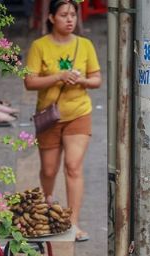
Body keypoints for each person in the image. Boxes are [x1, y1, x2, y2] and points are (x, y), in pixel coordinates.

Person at [24, 0, 102, 242]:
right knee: (48, 169)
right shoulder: (40, 46)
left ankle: (72, 222)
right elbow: (29, 82)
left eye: (73, 15)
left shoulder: (85, 45)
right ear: (51, 18)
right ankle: (47, 212)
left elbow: (96, 79)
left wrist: (82, 82)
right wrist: (59, 76)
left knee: (73, 166)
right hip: (50, 115)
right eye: (63, 15)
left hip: (79, 112)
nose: (70, 20)